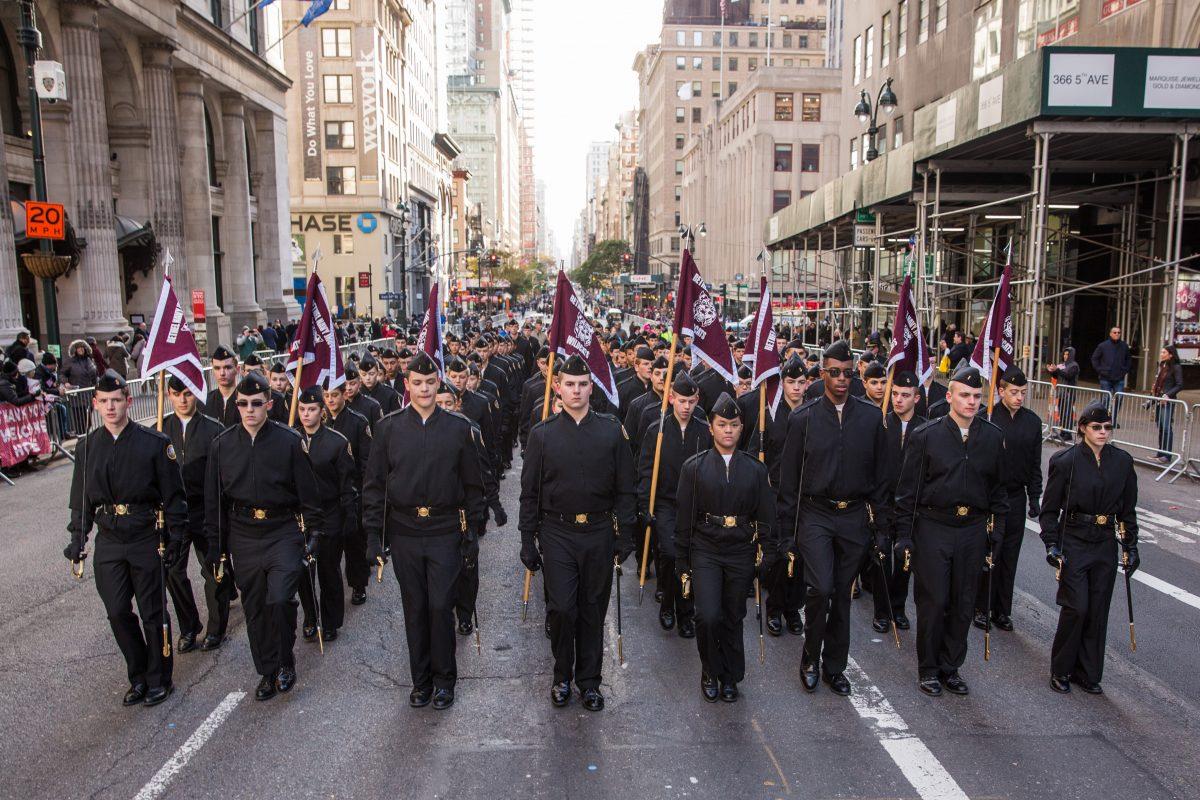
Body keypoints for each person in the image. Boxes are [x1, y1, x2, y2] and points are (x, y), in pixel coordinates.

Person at [363, 353, 486, 710]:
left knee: (440, 605)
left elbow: (472, 483)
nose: (425, 389)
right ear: (407, 386)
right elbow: (374, 486)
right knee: (415, 608)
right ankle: (422, 682)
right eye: (417, 383)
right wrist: (373, 535)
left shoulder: (458, 427)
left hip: (445, 529)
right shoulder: (388, 428)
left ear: (438, 382)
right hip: (404, 532)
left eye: (430, 382)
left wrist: (472, 533)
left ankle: (445, 680)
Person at [519, 355, 637, 711]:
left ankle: (589, 682)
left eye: (583, 384)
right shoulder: (542, 435)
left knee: (591, 610)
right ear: (558, 387)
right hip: (557, 532)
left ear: (591, 387)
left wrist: (625, 534)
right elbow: (530, 493)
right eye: (569, 384)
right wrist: (527, 539)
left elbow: (626, 487)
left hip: (599, 531)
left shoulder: (611, 430)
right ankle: (561, 676)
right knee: (562, 609)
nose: (576, 390)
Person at [64, 371, 188, 707]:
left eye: (116, 400)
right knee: (118, 610)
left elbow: (174, 498)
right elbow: (82, 498)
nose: (110, 407)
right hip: (109, 538)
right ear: (95, 404)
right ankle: (138, 676)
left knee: (152, 611)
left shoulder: (154, 443)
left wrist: (176, 539)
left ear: (128, 401)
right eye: (103, 401)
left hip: (145, 534)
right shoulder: (88, 446)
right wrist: (78, 537)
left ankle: (159, 677)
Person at [776, 341, 891, 696]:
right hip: (816, 515)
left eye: (846, 372)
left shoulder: (872, 419)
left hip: (854, 516)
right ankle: (810, 656)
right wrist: (785, 535)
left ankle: (834, 667)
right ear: (822, 374)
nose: (841, 379)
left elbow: (883, 478)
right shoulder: (804, 418)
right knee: (820, 588)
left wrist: (882, 529)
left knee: (842, 594)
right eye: (834, 372)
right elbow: (788, 482)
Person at [205, 372, 325, 701]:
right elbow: (214, 503)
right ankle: (267, 669)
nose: (249, 410)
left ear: (269, 405)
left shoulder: (288, 441)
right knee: (255, 606)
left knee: (280, 599)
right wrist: (216, 549)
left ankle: (286, 661)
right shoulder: (222, 444)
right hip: (243, 533)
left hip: (282, 530)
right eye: (242, 404)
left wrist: (314, 532)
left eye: (256, 403)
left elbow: (309, 494)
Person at [894, 364, 1008, 697]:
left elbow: (999, 493)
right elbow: (907, 493)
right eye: (964, 395)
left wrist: (995, 534)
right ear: (949, 396)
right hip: (934, 526)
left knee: (963, 601)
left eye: (976, 396)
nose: (971, 402)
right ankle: (928, 669)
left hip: (972, 528)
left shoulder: (992, 437)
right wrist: (904, 535)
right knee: (933, 599)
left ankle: (950, 666)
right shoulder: (925, 436)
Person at [675, 393, 777, 702]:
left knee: (733, 615)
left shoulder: (755, 470)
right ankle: (710, 669)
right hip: (706, 548)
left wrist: (769, 551)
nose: (728, 431)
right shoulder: (694, 468)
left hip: (740, 550)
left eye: (734, 425)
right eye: (722, 424)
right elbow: (684, 518)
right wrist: (682, 559)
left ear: (742, 427)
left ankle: (731, 675)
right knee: (707, 615)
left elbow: (767, 515)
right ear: (711, 428)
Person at [1039, 402, 1139, 694]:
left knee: (1097, 609)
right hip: (1074, 539)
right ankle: (1061, 669)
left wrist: (1131, 547)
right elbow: (1049, 511)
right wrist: (1051, 544)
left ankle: (1088, 671)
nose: (1103, 433)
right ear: (1083, 428)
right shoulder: (1065, 461)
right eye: (1097, 427)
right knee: (1076, 607)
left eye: (1108, 427)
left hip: (1105, 542)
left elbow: (1128, 510)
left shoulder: (1122, 462)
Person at [638, 371, 711, 637]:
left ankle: (686, 612)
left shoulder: (704, 431)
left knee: (690, 559)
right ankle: (667, 603)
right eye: (681, 400)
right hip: (666, 504)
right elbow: (646, 470)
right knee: (669, 555)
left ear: (697, 400)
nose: (686, 407)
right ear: (671, 398)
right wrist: (645, 506)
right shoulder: (656, 430)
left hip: (695, 506)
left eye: (691, 401)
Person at [161, 376, 230, 653]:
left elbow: (224, 474)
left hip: (206, 510)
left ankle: (216, 629)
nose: (182, 399)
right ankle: (189, 626)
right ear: (169, 395)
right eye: (177, 394)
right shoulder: (162, 428)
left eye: (188, 393)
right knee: (173, 571)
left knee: (214, 570)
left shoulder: (214, 429)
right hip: (175, 512)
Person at [741, 354, 808, 635]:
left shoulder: (813, 412)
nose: (796, 387)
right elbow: (753, 457)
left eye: (801, 382)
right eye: (790, 381)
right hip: (776, 494)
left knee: (802, 556)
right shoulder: (769, 414)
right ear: (782, 383)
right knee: (780, 557)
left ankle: (794, 609)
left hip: (807, 496)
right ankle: (776, 609)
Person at [975, 366, 1042, 633]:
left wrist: (1035, 496)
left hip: (1016, 497)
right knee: (990, 553)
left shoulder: (1032, 422)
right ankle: (981, 607)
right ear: (1000, 391)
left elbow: (1034, 464)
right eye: (1014, 392)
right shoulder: (987, 418)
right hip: (992, 499)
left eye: (1023, 393)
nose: (1019, 397)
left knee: (1010, 557)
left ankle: (1002, 610)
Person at [294, 385, 357, 642]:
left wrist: (349, 517)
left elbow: (347, 485)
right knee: (303, 573)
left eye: (311, 409)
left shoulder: (337, 442)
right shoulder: (290, 440)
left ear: (322, 412)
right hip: (301, 518)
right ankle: (311, 617)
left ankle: (330, 621)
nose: (306, 414)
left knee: (329, 571)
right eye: (302, 409)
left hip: (329, 514)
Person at [870, 370, 926, 634]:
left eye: (905, 395)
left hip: (911, 508)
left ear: (916, 397)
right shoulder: (880, 425)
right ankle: (882, 611)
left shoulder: (925, 430)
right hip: (883, 504)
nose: (898, 400)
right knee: (881, 557)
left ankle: (898, 608)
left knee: (905, 559)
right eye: (895, 394)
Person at [324, 381, 372, 605]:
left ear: (344, 395)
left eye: (334, 394)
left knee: (354, 544)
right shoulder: (318, 421)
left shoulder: (357, 422)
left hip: (352, 493)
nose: (330, 400)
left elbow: (366, 463)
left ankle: (358, 583)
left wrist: (363, 496)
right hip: (328, 495)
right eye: (326, 395)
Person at [1090, 326, 1132, 425]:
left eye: (1119, 332)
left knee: (1119, 398)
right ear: (1110, 333)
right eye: (1115, 332)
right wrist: (1100, 370)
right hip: (1105, 378)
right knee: (1106, 399)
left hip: (1119, 378)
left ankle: (1112, 418)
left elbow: (1129, 360)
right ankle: (1104, 419)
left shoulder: (1124, 346)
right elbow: (1094, 358)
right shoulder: (1103, 346)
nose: (1117, 334)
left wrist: (1124, 371)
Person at [1150, 345, 1183, 464]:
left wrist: (1168, 394)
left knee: (1166, 427)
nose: (1161, 354)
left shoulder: (1176, 367)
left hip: (1168, 401)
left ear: (1171, 355)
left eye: (1164, 352)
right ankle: (1160, 453)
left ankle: (1167, 455)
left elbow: (1180, 384)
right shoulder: (1163, 366)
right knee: (1161, 427)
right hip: (1160, 399)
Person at [1046, 347, 1080, 440]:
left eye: (1067, 354)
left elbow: (1068, 376)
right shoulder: (1061, 365)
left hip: (1069, 392)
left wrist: (1057, 370)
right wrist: (1052, 371)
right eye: (1064, 354)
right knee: (1062, 412)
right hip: (1061, 392)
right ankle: (1062, 432)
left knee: (1067, 413)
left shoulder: (1074, 366)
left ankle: (1068, 434)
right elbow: (1056, 376)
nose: (1065, 356)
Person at [204, 346, 242, 427]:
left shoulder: (248, 402)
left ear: (237, 369)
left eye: (227, 367)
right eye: (217, 368)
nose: (222, 373)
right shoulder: (204, 402)